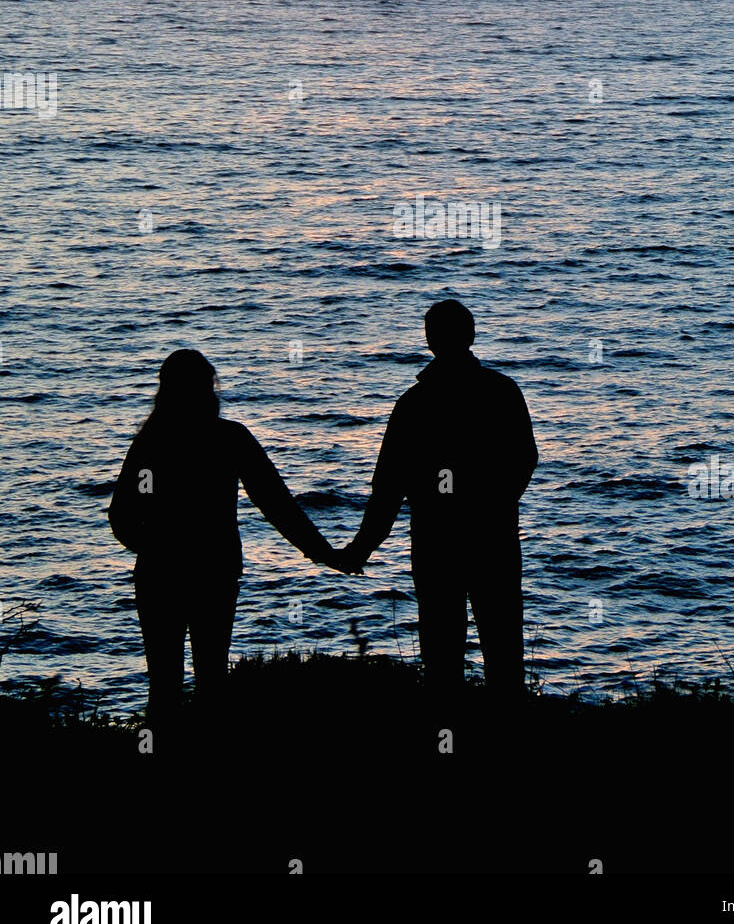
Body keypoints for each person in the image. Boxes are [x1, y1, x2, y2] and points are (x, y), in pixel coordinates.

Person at [108, 348, 341, 721]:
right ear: (208, 389)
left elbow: (121, 517)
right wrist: (324, 553)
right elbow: (277, 504)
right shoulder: (229, 439)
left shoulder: (151, 443)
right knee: (212, 681)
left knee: (163, 685)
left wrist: (157, 549)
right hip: (214, 573)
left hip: (158, 576)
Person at [338, 300, 538, 696]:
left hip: (436, 542)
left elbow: (388, 488)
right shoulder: (502, 392)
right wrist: (495, 504)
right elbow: (524, 460)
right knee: (504, 652)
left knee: (442, 656)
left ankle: (446, 738)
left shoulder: (415, 404)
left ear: (430, 341)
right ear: (472, 336)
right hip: (493, 538)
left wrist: (361, 548)